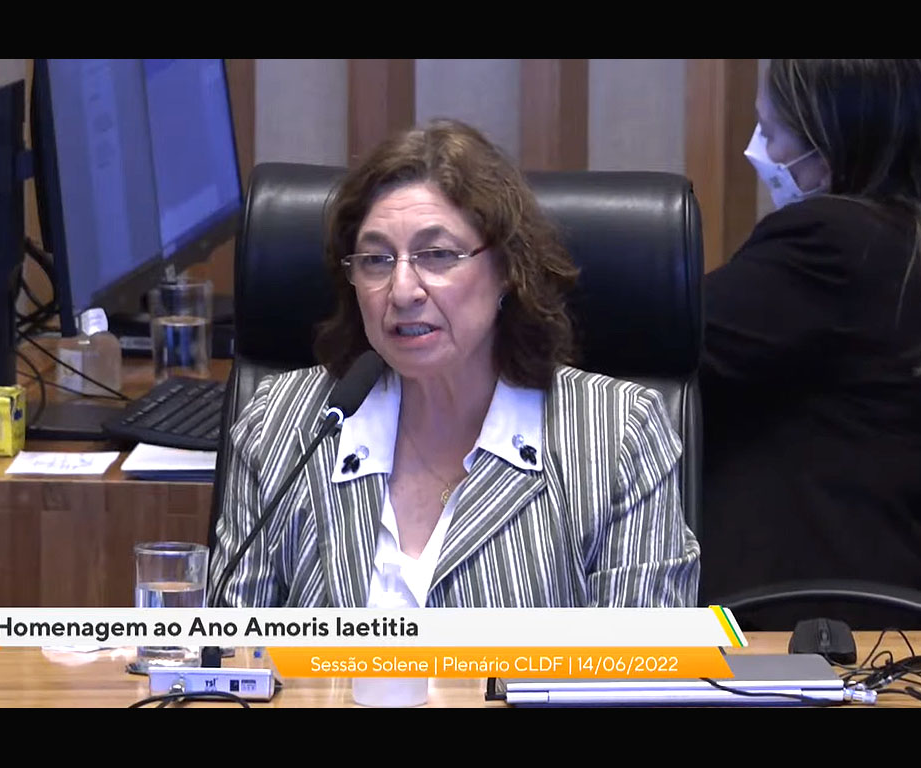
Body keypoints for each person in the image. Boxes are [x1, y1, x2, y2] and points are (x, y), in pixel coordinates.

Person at [210, 119, 700, 609]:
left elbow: (642, 651)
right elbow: (226, 645)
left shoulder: (617, 436)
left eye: (438, 255)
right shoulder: (282, 424)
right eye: (376, 260)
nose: (403, 291)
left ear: (507, 269)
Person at [698, 59, 921, 623]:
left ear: (825, 150)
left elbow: (660, 338)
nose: (759, 150)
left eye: (770, 132)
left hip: (803, 620)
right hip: (911, 597)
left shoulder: (830, 245)